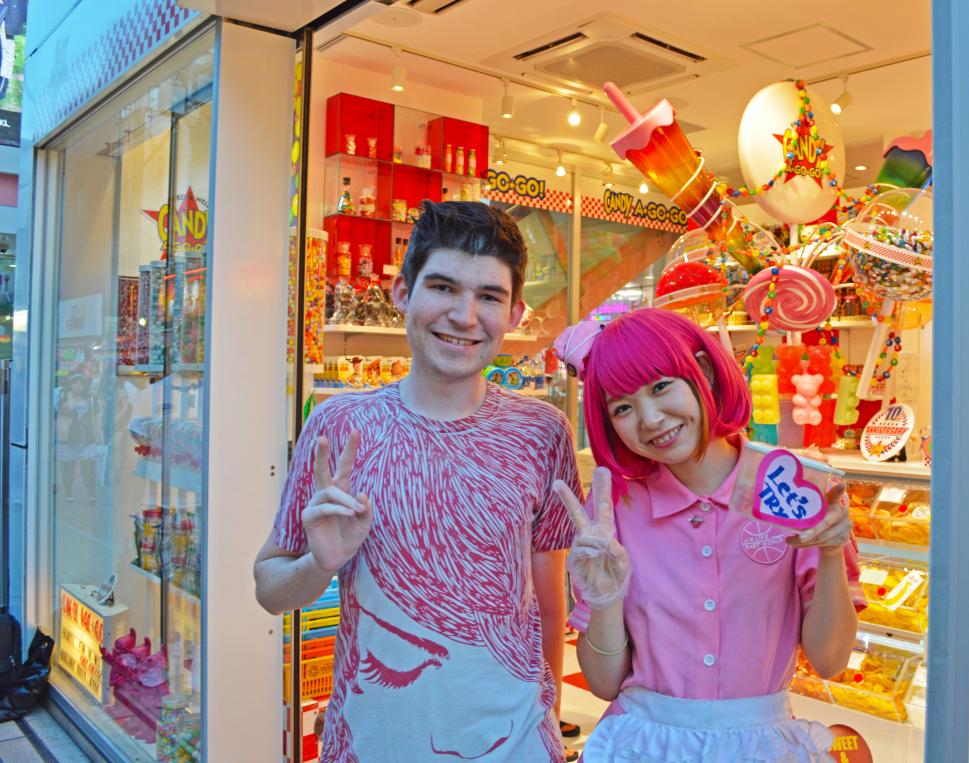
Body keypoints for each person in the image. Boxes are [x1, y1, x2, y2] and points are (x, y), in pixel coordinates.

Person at [254, 201, 580, 762]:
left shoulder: (543, 431)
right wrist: (319, 565)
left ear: (516, 313)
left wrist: (546, 722)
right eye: (443, 288)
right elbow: (269, 587)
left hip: (515, 745)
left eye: (488, 297)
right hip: (374, 741)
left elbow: (551, 605)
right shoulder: (340, 426)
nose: (464, 315)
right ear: (403, 294)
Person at [552, 309, 865, 762]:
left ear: (703, 371)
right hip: (644, 745)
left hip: (762, 745)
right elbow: (603, 685)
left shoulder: (790, 487)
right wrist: (604, 599)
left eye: (661, 386)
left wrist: (832, 552)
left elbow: (830, 661)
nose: (650, 418)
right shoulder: (613, 509)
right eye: (622, 407)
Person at [55, 373, 100, 502]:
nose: (78, 386)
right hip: (68, 439)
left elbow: (96, 417)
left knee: (89, 468)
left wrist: (98, 435)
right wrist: (69, 396)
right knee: (68, 467)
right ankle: (69, 494)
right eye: (75, 383)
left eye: (81, 383)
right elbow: (68, 409)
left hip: (87, 438)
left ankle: (92, 495)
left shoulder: (91, 398)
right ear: (69, 385)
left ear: (85, 385)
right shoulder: (63, 398)